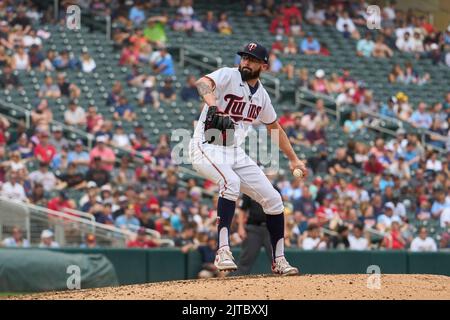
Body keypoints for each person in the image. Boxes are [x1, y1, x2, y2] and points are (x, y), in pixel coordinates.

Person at [189, 42, 307, 275]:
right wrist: (214, 106)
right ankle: (223, 250)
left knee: (274, 200)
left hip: (234, 152)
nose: (245, 62)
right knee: (230, 182)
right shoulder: (228, 75)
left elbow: (275, 128)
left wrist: (294, 159)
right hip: (206, 146)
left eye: (251, 59)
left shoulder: (262, 96)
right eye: (244, 57)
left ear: (263, 65)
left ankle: (279, 260)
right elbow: (202, 83)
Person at [231, 194, 273, 276]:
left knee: (277, 257)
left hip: (271, 228)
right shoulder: (249, 189)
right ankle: (238, 279)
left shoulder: (274, 188)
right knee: (246, 258)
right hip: (253, 228)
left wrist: (283, 228)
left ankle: (283, 279)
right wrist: (240, 227)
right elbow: (242, 209)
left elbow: (281, 210)